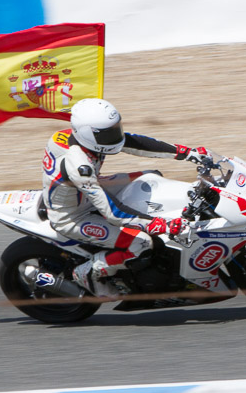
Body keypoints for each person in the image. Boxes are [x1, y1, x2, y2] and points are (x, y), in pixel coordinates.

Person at [42, 98, 209, 297]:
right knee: (141, 242)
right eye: (108, 133)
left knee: (151, 177)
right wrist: (158, 224)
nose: (115, 135)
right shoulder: (80, 166)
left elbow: (134, 142)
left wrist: (185, 153)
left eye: (116, 128)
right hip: (73, 217)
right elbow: (113, 213)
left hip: (88, 190)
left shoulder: (81, 138)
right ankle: (87, 272)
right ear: (87, 133)